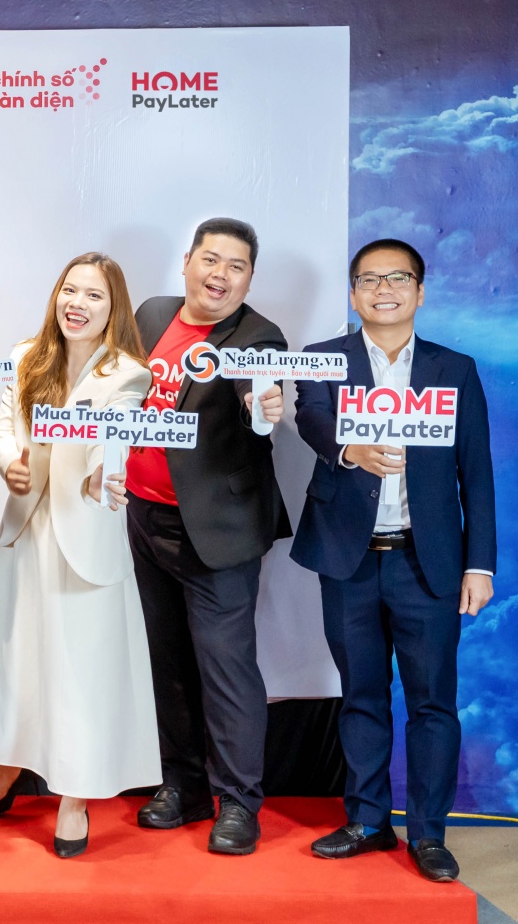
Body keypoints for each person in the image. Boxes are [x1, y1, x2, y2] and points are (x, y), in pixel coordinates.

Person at [293, 239, 497, 883]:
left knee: (433, 703)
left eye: (398, 278)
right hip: (348, 558)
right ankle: (368, 821)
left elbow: (477, 472)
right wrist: (348, 448)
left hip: (428, 564)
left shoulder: (453, 369)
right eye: (370, 279)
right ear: (354, 294)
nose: (384, 289)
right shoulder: (324, 359)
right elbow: (311, 416)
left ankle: (429, 834)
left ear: (420, 291)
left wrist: (480, 565)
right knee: (361, 694)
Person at [0, 252, 159, 858]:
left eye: (93, 296)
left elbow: (111, 440)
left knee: (78, 673)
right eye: (70, 291)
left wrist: (99, 476)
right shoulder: (24, 357)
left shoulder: (127, 375)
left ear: (113, 308)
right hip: (24, 534)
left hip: (84, 536)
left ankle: (73, 798)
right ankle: (8, 765)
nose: (78, 304)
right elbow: (4, 429)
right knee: (12, 660)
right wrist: (5, 463)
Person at [126, 218, 287, 856]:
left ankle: (239, 801)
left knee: (226, 669)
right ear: (187, 261)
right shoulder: (151, 314)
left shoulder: (259, 337)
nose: (220, 275)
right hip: (144, 518)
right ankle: (184, 787)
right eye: (211, 260)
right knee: (167, 663)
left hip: (217, 530)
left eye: (236, 266)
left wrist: (261, 408)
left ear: (249, 279)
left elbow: (259, 394)